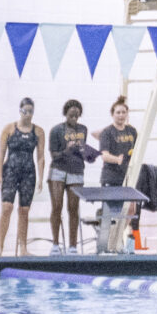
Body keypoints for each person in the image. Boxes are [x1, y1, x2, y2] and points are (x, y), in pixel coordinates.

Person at [44, 99, 92, 254]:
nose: (74, 117)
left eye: (77, 115)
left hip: (76, 170)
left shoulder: (83, 129)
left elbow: (84, 153)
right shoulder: (57, 130)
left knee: (73, 208)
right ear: (66, 113)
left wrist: (87, 152)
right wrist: (67, 149)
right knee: (57, 206)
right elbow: (53, 154)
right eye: (71, 115)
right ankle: (56, 244)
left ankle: (72, 246)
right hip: (58, 170)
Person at [0, 98, 41, 257]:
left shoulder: (38, 131)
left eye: (31, 112)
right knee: (6, 207)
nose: (28, 115)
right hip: (10, 171)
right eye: (25, 111)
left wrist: (41, 178)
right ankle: (0, 246)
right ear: (20, 110)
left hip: (28, 172)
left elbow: (41, 157)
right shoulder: (9, 129)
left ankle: (23, 248)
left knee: (24, 210)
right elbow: (1, 153)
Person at [97, 96, 138, 245]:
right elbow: (104, 155)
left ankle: (117, 238)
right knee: (111, 212)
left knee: (130, 210)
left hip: (128, 177)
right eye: (118, 112)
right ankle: (108, 243)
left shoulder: (132, 131)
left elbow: (137, 150)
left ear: (127, 114)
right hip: (111, 176)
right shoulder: (107, 132)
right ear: (112, 114)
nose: (121, 115)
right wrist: (117, 159)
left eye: (123, 112)